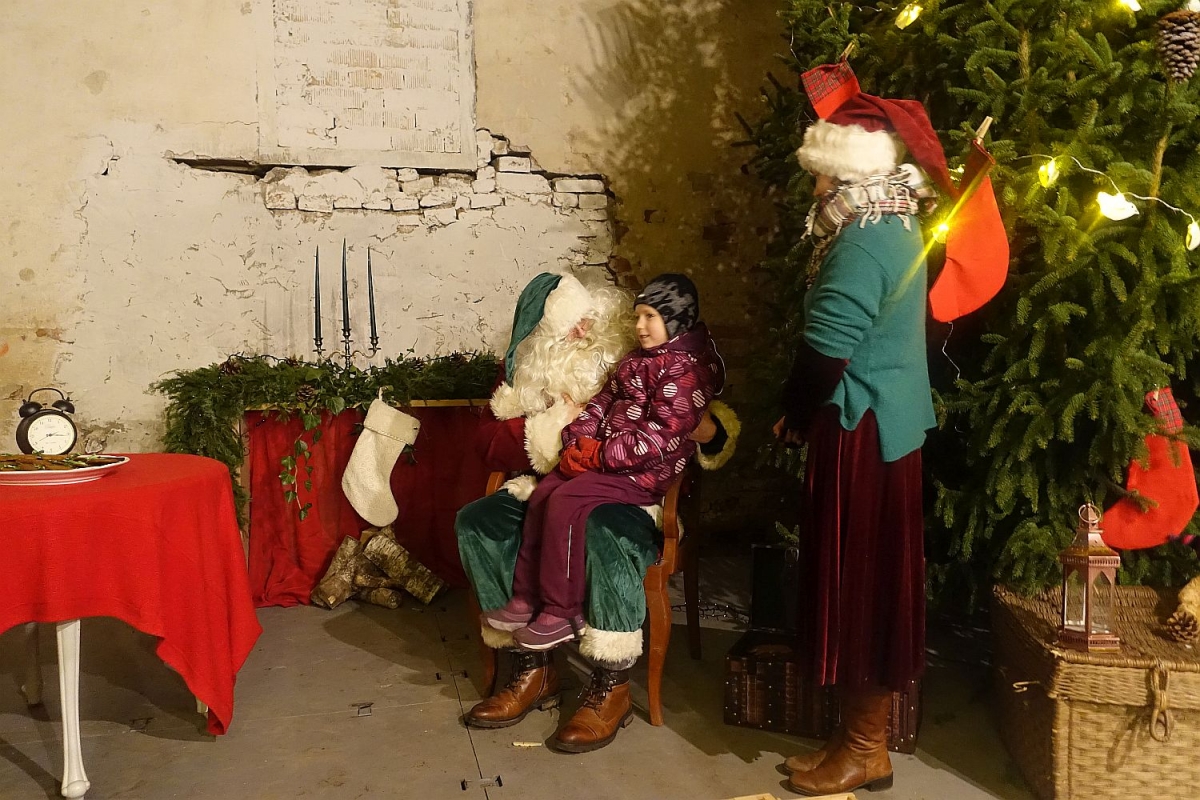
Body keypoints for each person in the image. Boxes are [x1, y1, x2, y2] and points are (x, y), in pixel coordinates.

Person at [456, 271, 738, 753]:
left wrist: (709, 432)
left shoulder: (647, 355)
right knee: (480, 521)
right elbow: (488, 440)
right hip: (552, 476)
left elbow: (702, 424)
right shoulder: (526, 369)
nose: (581, 331)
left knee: (603, 528)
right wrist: (553, 429)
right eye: (567, 325)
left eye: (587, 320)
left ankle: (611, 681)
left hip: (629, 485)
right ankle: (532, 667)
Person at [774, 62, 953, 796]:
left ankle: (863, 749)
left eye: (819, 173)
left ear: (843, 171)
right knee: (870, 584)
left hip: (862, 434)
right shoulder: (895, 222)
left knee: (861, 587)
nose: (814, 188)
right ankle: (857, 741)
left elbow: (827, 348)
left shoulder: (861, 240)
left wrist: (793, 416)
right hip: (886, 428)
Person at [483, 274, 725, 652]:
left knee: (566, 500)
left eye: (650, 317)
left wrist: (599, 454)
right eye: (638, 316)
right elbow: (602, 403)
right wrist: (576, 439)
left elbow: (658, 438)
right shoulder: (636, 360)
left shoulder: (685, 371)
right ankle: (526, 596)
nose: (640, 326)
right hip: (607, 460)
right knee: (546, 492)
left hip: (643, 473)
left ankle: (562, 611)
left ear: (677, 319)